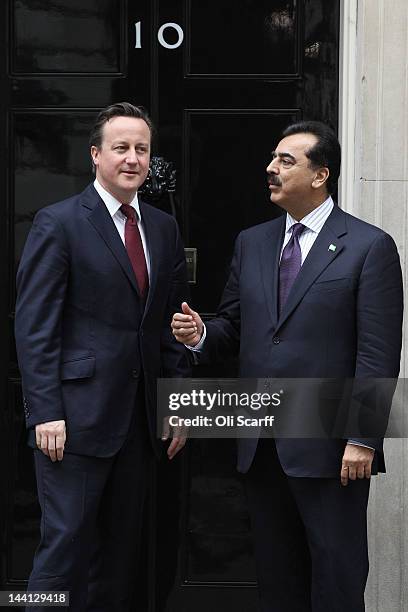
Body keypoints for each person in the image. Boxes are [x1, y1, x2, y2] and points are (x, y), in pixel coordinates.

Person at [171, 121, 403, 612]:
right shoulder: (252, 242)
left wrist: (362, 438)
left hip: (331, 448)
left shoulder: (368, 246)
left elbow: (376, 351)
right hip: (262, 445)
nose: (270, 169)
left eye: (285, 161)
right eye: (272, 159)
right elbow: (235, 326)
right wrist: (203, 334)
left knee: (337, 578)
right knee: (278, 581)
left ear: (321, 175)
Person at [15, 102, 191, 611]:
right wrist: (45, 411)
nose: (132, 158)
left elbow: (169, 326)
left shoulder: (162, 228)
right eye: (121, 148)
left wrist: (175, 405)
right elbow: (35, 326)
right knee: (63, 549)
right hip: (73, 423)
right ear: (96, 155)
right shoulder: (59, 223)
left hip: (138, 425)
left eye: (141, 149)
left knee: (120, 559)